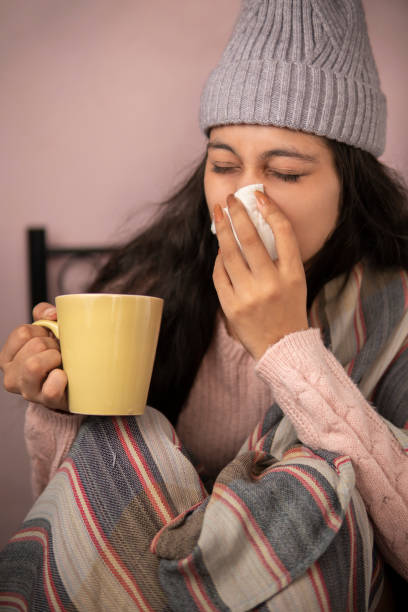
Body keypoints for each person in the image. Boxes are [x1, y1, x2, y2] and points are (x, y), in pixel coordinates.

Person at [0, 0, 407, 609]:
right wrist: (59, 402)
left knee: (309, 480)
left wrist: (285, 347)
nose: (244, 197)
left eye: (287, 173)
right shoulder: (153, 286)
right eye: (223, 165)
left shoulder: (395, 308)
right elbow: (79, 509)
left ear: (350, 187)